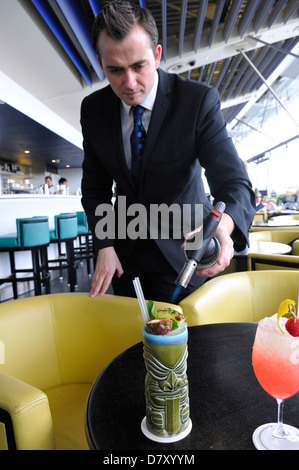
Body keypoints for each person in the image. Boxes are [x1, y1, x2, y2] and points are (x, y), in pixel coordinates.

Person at [81, 0, 256, 303]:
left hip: (185, 254)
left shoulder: (196, 102)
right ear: (100, 63)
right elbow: (95, 190)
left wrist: (221, 229)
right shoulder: (94, 110)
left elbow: (234, 184)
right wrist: (105, 245)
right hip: (126, 259)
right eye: (115, 70)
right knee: (133, 344)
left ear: (158, 55)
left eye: (138, 66)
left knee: (189, 347)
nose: (129, 83)